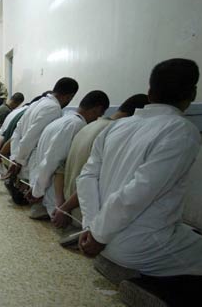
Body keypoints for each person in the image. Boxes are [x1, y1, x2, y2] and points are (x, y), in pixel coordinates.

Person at [77, 58, 202, 307]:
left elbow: (87, 177)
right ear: (191, 94)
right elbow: (138, 193)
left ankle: (119, 266)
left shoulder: (116, 127)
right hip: (136, 244)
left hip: (104, 238)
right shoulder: (181, 130)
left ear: (149, 92)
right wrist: (99, 235)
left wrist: (92, 227)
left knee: (194, 236)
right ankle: (158, 293)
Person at [52, 94, 149, 229]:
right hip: (83, 217)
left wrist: (61, 206)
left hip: (68, 212)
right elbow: (92, 179)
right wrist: (64, 209)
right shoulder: (114, 133)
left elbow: (60, 170)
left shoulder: (87, 126)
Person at [25, 91, 110, 222]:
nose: (97, 119)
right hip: (52, 198)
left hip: (43, 187)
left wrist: (36, 187)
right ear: (97, 109)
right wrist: (38, 192)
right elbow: (52, 162)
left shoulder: (62, 120)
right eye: (100, 115)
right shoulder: (76, 125)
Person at [7, 78, 79, 180]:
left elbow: (17, 131)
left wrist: (15, 156)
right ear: (69, 96)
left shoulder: (37, 103)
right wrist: (18, 160)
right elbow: (31, 137)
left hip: (21, 159)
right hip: (29, 164)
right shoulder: (53, 108)